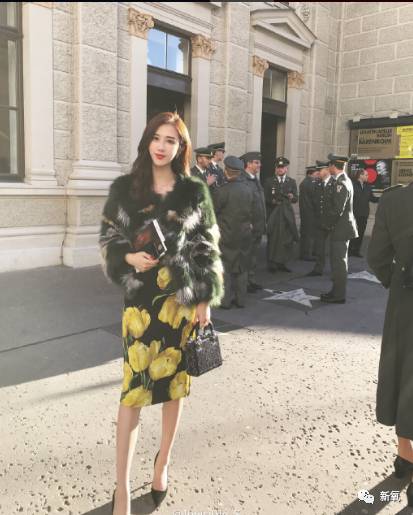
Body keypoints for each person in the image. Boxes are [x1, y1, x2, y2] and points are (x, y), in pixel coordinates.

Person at [99, 112, 224, 515]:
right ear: (147, 141)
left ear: (181, 147)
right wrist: (128, 257)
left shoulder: (193, 191)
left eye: (171, 140)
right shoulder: (125, 188)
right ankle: (121, 489)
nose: (162, 146)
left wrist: (204, 298)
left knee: (174, 388)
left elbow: (206, 245)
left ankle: (162, 463)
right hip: (140, 302)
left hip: (179, 304)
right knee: (133, 392)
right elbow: (108, 238)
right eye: (157, 137)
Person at [367, 181, 413, 508]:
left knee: (402, 376)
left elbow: (377, 257)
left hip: (405, 303)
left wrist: (397, 282)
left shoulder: (395, 200)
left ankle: (404, 457)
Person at [212, 155, 258, 309]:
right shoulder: (248, 190)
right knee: (242, 266)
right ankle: (241, 300)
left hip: (226, 234)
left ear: (226, 171)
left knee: (225, 267)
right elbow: (255, 211)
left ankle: (225, 301)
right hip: (244, 234)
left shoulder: (221, 191)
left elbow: (213, 213)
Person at [320, 154, 358, 304]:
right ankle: (336, 291)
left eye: (329, 165)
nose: (328, 168)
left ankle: (339, 295)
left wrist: (327, 225)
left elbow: (337, 210)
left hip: (340, 229)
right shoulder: (342, 180)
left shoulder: (341, 183)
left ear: (333, 166)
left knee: (339, 263)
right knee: (337, 262)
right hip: (340, 228)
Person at [264, 156, 298, 273]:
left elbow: (296, 198)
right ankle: (271, 264)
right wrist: (273, 201)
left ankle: (282, 263)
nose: (280, 169)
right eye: (278, 167)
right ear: (275, 169)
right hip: (273, 214)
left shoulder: (291, 182)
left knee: (285, 239)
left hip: (286, 215)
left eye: (282, 167)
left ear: (286, 169)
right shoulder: (269, 181)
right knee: (273, 238)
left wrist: (292, 197)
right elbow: (265, 197)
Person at [240, 151, 266, 292]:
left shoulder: (255, 179)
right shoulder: (243, 180)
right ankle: (243, 283)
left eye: (259, 162)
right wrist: (247, 222)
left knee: (253, 256)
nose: (259, 165)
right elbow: (242, 205)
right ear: (248, 164)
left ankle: (251, 280)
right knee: (246, 256)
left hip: (258, 225)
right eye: (256, 162)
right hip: (249, 226)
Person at [306, 161, 336, 277]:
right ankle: (318, 268)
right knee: (319, 247)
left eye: (320, 170)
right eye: (317, 170)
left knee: (334, 248)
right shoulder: (317, 184)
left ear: (327, 170)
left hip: (332, 221)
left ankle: (336, 271)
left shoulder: (335, 184)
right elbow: (314, 201)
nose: (318, 172)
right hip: (319, 221)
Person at [349, 169, 378, 257]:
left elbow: (372, 198)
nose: (367, 176)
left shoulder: (368, 186)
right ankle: (349, 250)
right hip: (354, 213)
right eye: (366, 175)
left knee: (361, 233)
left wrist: (383, 198)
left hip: (364, 213)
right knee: (352, 232)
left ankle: (356, 251)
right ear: (360, 176)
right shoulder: (352, 185)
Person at [299, 165, 320, 261]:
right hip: (310, 212)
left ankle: (304, 253)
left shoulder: (304, 182)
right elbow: (314, 198)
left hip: (305, 212)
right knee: (309, 234)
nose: (318, 175)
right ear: (311, 174)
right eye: (316, 173)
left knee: (305, 233)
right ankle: (307, 254)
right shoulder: (311, 183)